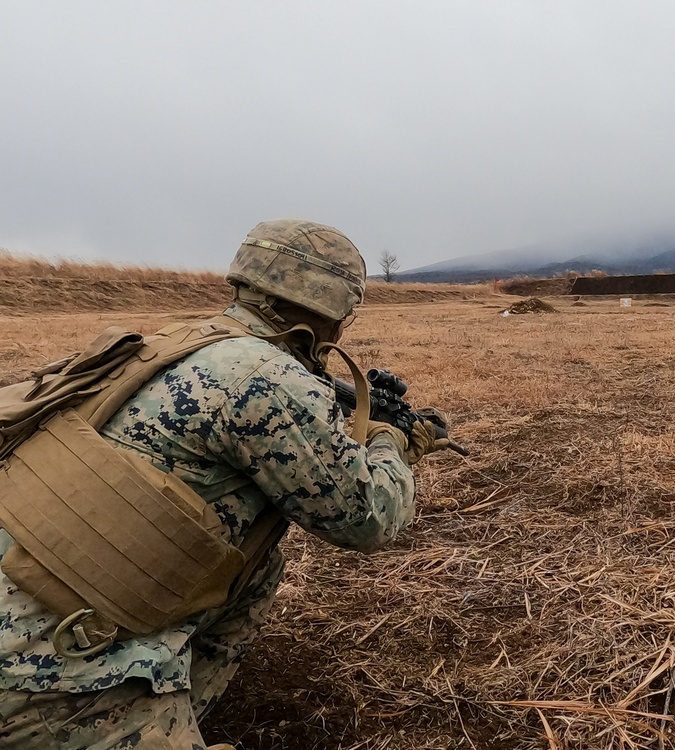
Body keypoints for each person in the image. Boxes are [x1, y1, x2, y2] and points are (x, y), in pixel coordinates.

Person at [0, 219, 447, 749]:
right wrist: (391, 445)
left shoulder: (178, 343)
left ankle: (176, 708)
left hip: (30, 601)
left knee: (257, 561)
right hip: (52, 676)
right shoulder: (265, 377)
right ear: (334, 309)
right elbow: (368, 518)